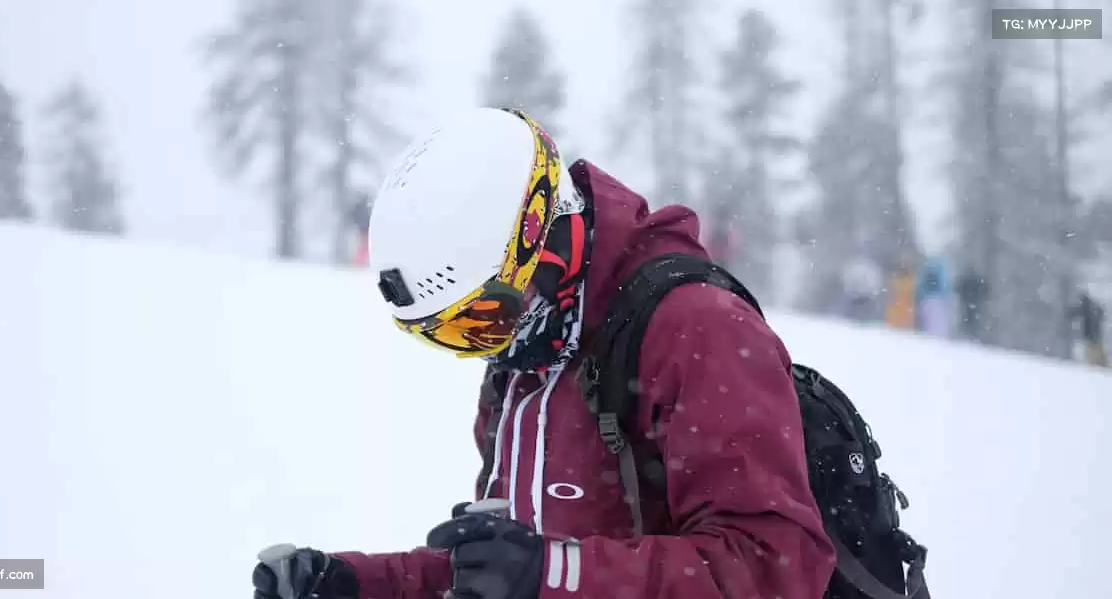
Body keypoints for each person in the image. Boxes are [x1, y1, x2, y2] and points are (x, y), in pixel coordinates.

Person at [250, 108, 834, 599]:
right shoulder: (526, 366)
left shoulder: (697, 331)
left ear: (544, 240)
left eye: (487, 318)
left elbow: (775, 567)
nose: (491, 349)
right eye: (455, 335)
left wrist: (552, 572)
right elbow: (504, 569)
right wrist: (356, 583)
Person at [915, 256, 952, 338]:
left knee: (929, 322)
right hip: (938, 300)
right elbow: (945, 286)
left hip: (927, 300)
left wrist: (921, 298)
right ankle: (937, 337)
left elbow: (921, 286)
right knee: (938, 322)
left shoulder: (926, 272)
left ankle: (930, 336)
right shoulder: (940, 272)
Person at [1070, 291, 1109, 367]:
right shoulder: (1094, 306)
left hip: (1090, 333)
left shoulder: (1086, 306)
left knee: (1092, 349)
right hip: (1097, 332)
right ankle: (1103, 363)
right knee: (1098, 348)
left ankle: (1094, 364)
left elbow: (1076, 312)